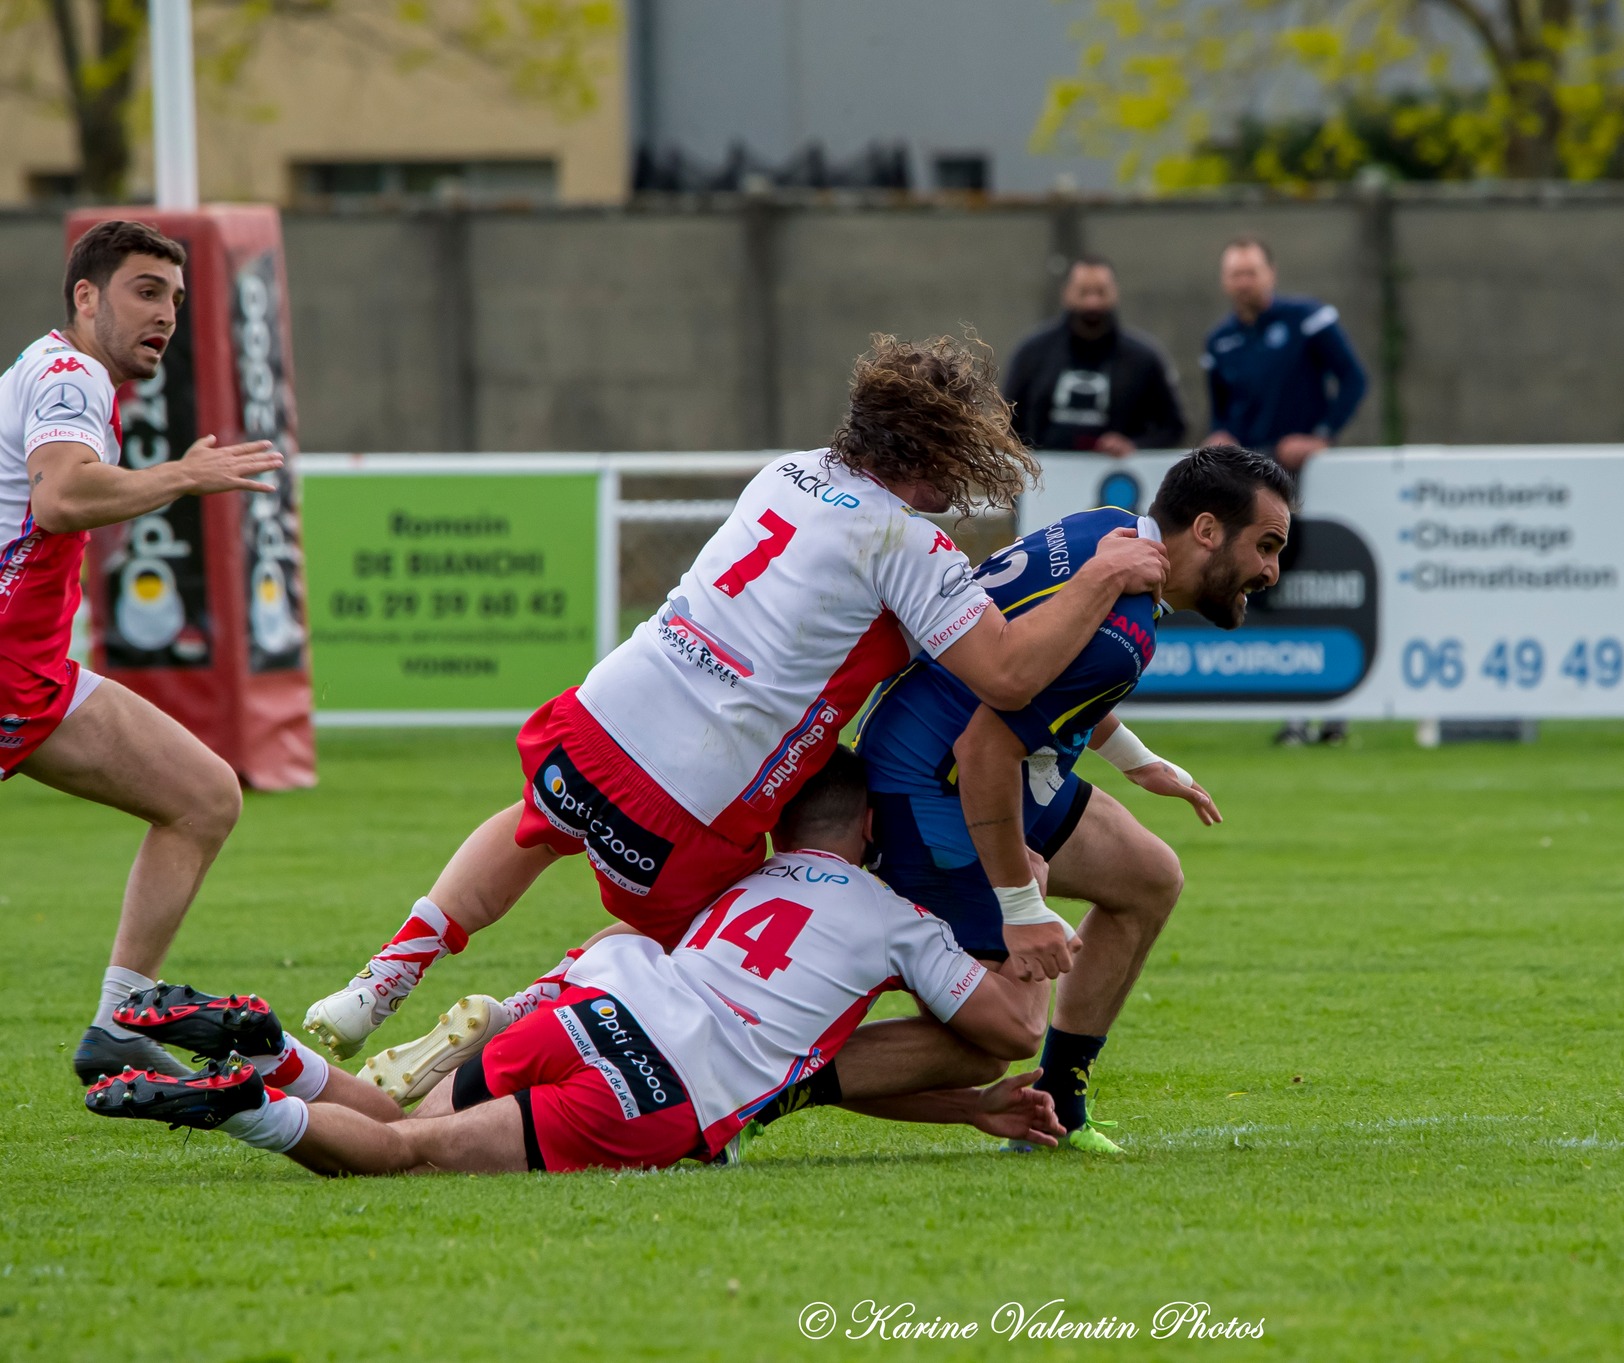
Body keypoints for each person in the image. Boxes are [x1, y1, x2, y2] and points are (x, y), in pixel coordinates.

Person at [302, 334, 1168, 1059]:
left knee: (535, 826)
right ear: (924, 452)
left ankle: (381, 980)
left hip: (607, 708)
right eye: (958, 453)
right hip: (695, 787)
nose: (964, 480)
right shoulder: (905, 539)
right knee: (705, 954)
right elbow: (1010, 675)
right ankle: (520, 1015)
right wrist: (1100, 577)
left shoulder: (787, 472)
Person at [84, 750, 1065, 1173]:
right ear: (863, 824)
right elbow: (1010, 1028)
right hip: (656, 1087)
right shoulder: (893, 915)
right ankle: (247, 1099)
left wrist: (969, 1107)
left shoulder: (740, 887)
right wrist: (1029, 892)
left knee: (390, 1119)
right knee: (398, 1160)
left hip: (588, 1009)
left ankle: (271, 1050)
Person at [827, 445, 1292, 1153]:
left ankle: (1059, 1100)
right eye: (1265, 545)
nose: (1270, 570)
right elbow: (983, 748)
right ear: (1204, 529)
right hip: (934, 789)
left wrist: (1137, 761)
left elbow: (1049, 668)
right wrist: (1023, 907)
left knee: (1148, 876)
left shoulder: (1107, 530)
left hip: (960, 753)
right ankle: (763, 1087)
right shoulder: (1125, 629)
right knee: (995, 1040)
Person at [2, 219, 283, 1084]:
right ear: (85, 298)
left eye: (175, 298)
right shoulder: (68, 373)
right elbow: (61, 497)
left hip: (32, 677)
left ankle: (122, 1022)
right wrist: (183, 478)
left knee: (202, 795)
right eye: (145, 291)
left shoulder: (59, 370)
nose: (165, 314)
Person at [1201, 235, 1366, 746]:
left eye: (1251, 272)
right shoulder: (1219, 341)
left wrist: (1322, 434)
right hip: (1252, 484)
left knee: (1321, 578)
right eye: (1235, 273)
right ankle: (1293, 712)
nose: (1243, 282)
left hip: (1307, 475)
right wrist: (1221, 435)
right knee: (1266, 583)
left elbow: (1353, 379)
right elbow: (1221, 411)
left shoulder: (1308, 319)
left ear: (1270, 274)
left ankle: (1338, 711)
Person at [1002, 255, 1185, 454]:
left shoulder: (1144, 358)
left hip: (1117, 480)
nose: (1092, 302)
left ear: (1115, 293)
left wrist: (1133, 446)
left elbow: (1173, 427)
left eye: (1101, 292)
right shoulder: (1032, 352)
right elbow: (1005, 420)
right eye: (1084, 292)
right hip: (1045, 476)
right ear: (1067, 293)